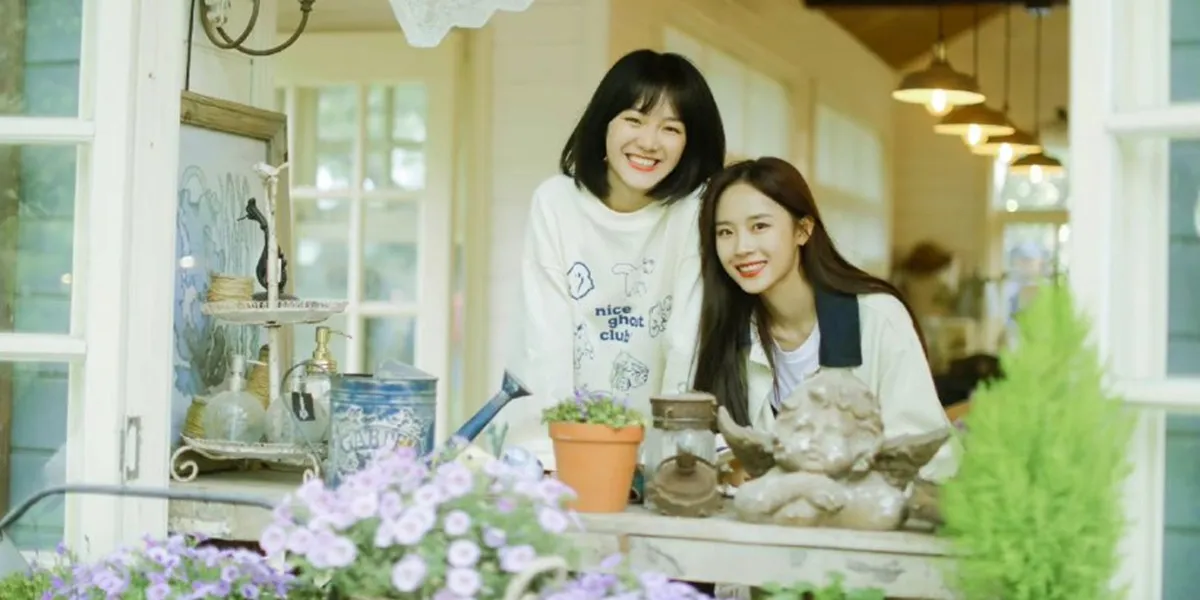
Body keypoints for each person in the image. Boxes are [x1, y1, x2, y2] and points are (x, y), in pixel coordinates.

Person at [500, 49, 726, 471]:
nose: (649, 142)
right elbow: (544, 339)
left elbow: (686, 342)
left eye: (671, 128)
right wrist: (552, 457)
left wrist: (672, 457)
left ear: (689, 142)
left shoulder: (694, 209)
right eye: (634, 120)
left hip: (661, 454)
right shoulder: (556, 202)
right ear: (604, 122)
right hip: (560, 447)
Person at [692, 157, 954, 481]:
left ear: (803, 230)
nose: (741, 247)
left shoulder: (878, 318)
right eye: (725, 232)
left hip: (870, 510)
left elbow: (927, 456)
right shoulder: (728, 330)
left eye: (759, 226)